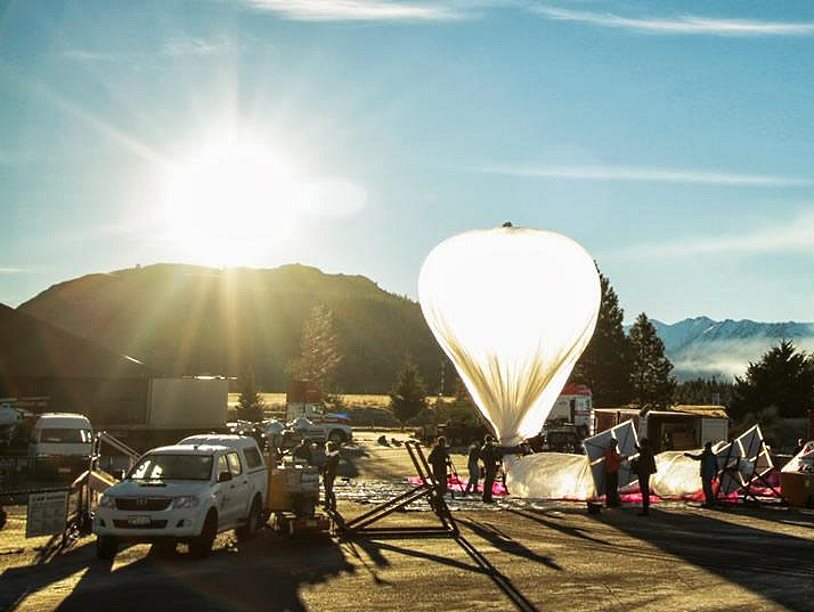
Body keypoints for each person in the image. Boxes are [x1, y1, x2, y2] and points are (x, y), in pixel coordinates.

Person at [685, 442, 718, 507]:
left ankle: (709, 502)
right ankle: (710, 501)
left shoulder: (706, 455)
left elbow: (697, 458)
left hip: (706, 474)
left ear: (707, 448)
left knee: (706, 488)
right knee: (709, 488)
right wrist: (716, 475)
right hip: (710, 474)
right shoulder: (713, 456)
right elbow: (716, 466)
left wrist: (689, 455)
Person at [633, 438, 657, 516]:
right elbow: (642, 453)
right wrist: (637, 449)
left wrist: (635, 464)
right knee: (645, 490)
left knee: (644, 490)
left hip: (643, 473)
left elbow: (642, 462)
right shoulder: (647, 450)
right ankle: (645, 509)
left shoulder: (646, 451)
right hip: (646, 472)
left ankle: (645, 510)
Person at [480, 435, 501, 503]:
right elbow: (496, 457)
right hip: (491, 466)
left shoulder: (484, 448)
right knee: (489, 482)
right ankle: (487, 497)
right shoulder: (490, 449)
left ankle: (486, 496)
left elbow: (481, 456)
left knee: (487, 482)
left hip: (487, 466)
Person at [603, 439, 623, 508]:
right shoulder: (612, 450)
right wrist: (624, 457)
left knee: (608, 488)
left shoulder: (607, 450)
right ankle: (613, 503)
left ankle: (608, 502)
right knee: (613, 488)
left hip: (607, 471)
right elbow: (618, 459)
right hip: (613, 471)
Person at [322, 440, 341, 510]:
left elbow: (330, 464)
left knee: (329, 490)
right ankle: (328, 505)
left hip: (330, 473)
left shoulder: (334, 455)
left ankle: (332, 505)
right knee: (327, 490)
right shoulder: (332, 455)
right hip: (328, 473)